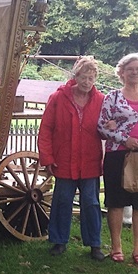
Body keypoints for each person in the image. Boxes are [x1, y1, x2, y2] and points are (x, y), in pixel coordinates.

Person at [97, 53, 138, 265]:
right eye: (130, 69)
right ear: (122, 73)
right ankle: (116, 248)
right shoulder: (112, 97)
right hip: (118, 155)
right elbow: (101, 125)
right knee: (115, 203)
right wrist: (124, 139)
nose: (134, 72)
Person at [38, 56, 106, 259]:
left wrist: (110, 127)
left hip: (90, 162)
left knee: (91, 202)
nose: (87, 82)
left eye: (91, 78)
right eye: (83, 77)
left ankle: (95, 244)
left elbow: (106, 128)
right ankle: (59, 241)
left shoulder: (101, 100)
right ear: (75, 76)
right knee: (62, 201)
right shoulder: (58, 98)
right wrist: (47, 158)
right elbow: (46, 129)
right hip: (64, 161)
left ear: (95, 79)